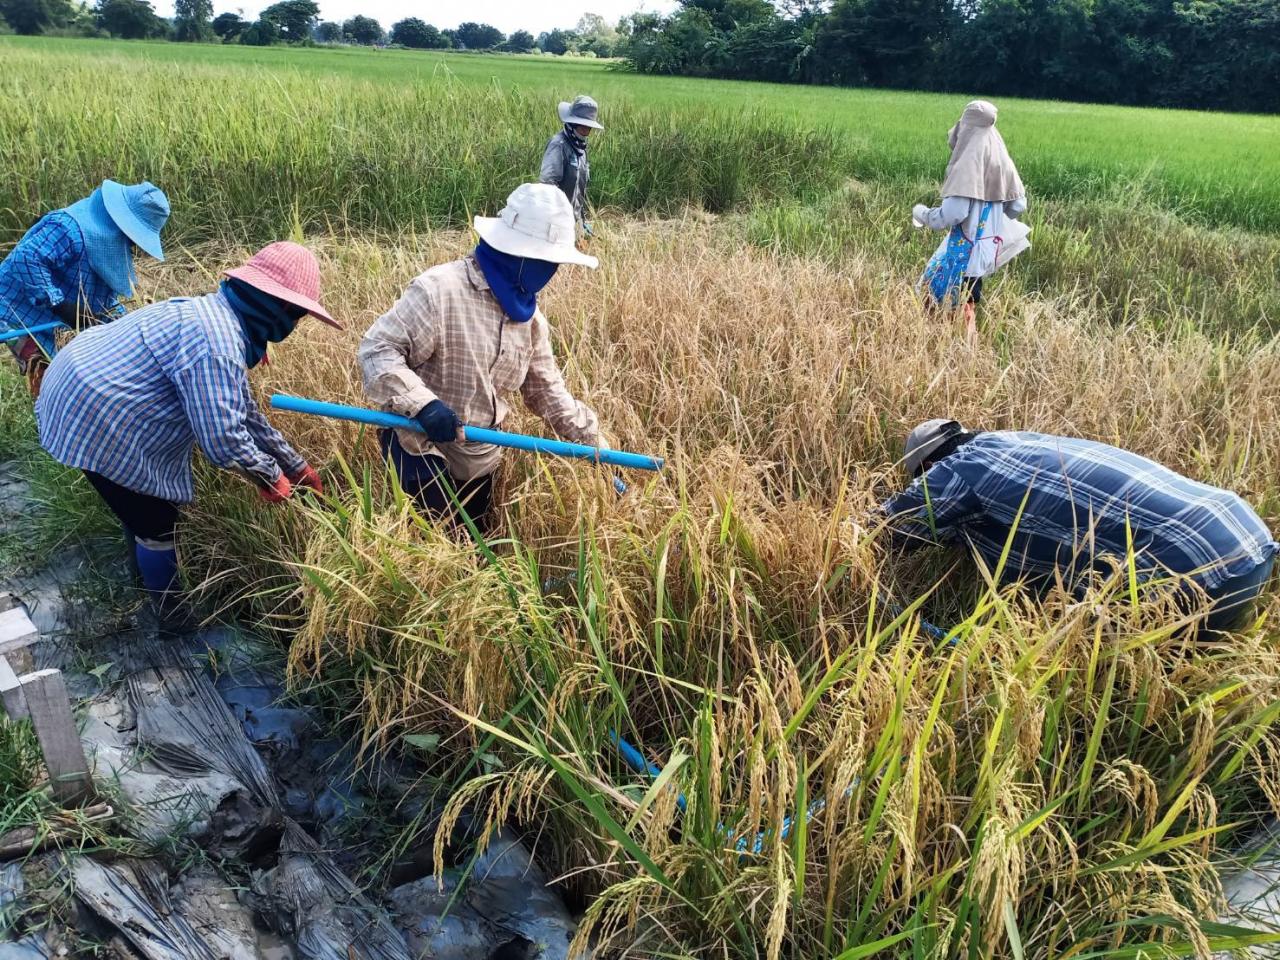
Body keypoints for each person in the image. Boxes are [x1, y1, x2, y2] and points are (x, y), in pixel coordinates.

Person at [35, 242, 341, 632]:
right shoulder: (217, 343)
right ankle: (173, 617)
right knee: (159, 521)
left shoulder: (216, 317)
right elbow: (223, 440)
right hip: (92, 408)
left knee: (136, 501)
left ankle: (141, 576)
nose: (296, 324)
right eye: (298, 314)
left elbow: (242, 411)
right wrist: (270, 477)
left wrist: (296, 466)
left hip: (79, 382)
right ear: (278, 307)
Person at [359, 182, 601, 536]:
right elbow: (376, 350)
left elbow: (549, 395)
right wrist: (424, 405)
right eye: (547, 261)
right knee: (435, 544)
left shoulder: (530, 323)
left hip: (480, 454)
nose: (552, 271)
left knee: (474, 546)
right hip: (419, 444)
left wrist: (599, 451)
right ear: (519, 254)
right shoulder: (439, 291)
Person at [879, 420, 1277, 633]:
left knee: (1102, 686)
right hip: (1246, 534)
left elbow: (879, 534)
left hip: (1194, 573)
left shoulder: (956, 471)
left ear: (928, 467)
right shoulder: (1019, 441)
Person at [0, 180, 171, 397]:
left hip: (52, 320)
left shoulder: (107, 247)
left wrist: (126, 325)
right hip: (17, 311)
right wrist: (60, 304)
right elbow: (26, 260)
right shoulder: (67, 229)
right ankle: (47, 422)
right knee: (50, 380)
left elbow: (104, 300)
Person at [912, 101, 1028, 338]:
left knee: (934, 297)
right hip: (986, 252)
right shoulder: (999, 161)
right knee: (968, 301)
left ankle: (959, 354)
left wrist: (922, 213)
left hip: (962, 253)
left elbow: (953, 214)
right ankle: (960, 352)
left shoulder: (968, 165)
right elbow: (1017, 205)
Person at [539, 95, 602, 236]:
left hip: (575, 222)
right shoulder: (559, 145)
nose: (587, 129)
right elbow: (547, 184)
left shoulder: (581, 149)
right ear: (572, 123)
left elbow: (579, 192)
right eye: (583, 125)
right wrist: (558, 221)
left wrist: (581, 222)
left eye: (589, 126)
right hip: (556, 224)